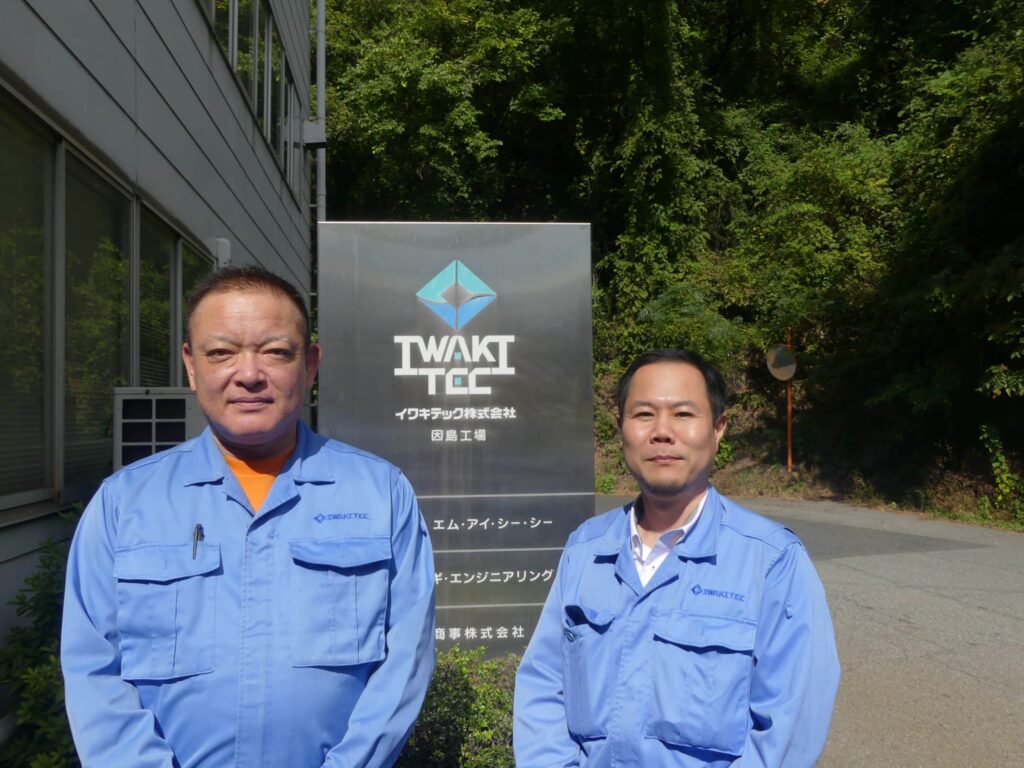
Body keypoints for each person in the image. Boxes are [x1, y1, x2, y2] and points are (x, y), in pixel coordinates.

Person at [61, 266, 435, 768]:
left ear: (310, 365)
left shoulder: (381, 494)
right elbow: (94, 670)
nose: (249, 374)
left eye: (275, 351)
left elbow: (405, 662)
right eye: (221, 353)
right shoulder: (123, 504)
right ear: (191, 365)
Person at [514, 349, 839, 768]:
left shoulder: (772, 562)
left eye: (683, 414)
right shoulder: (586, 549)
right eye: (644, 414)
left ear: (718, 428)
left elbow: (788, 732)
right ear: (620, 426)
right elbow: (544, 687)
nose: (662, 432)